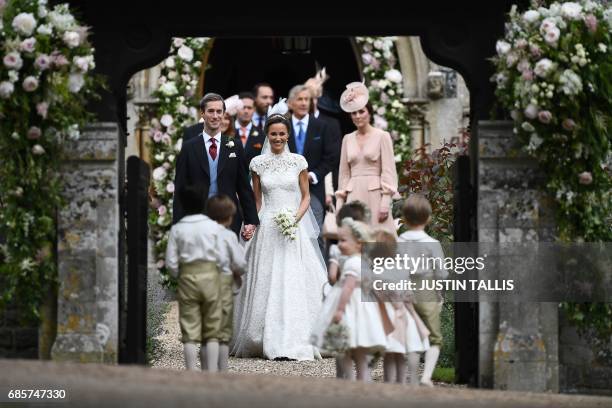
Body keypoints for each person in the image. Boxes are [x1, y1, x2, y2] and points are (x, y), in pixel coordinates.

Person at [231, 99, 327, 361]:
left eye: (282, 134)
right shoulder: (257, 164)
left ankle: (300, 336)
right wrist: (251, 222)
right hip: (268, 225)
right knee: (264, 276)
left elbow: (306, 197)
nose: (277, 138)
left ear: (287, 136)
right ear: (267, 135)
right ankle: (260, 337)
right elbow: (256, 199)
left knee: (295, 277)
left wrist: (294, 219)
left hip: (292, 226)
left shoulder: (299, 161)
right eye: (273, 134)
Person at [173, 93, 259, 239]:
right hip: (197, 218)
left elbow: (243, 186)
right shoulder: (189, 147)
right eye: (211, 111)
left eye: (219, 111)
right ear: (202, 114)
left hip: (229, 217)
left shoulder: (235, 146)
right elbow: (181, 188)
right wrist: (178, 223)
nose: (215, 116)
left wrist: (250, 220)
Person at [312, 218, 388, 382]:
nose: (339, 244)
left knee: (344, 346)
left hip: (350, 308)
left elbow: (347, 288)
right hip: (363, 309)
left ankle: (350, 377)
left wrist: (339, 309)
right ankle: (363, 376)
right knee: (360, 348)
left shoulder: (352, 263)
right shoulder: (364, 262)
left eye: (344, 241)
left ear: (359, 244)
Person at [165, 184, 225, 372]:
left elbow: (171, 262)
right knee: (212, 327)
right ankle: (212, 372)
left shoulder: (178, 229)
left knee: (190, 328)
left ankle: (191, 370)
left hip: (188, 277)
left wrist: (179, 275)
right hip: (210, 277)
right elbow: (222, 257)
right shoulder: (213, 227)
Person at [335, 82, 399, 234]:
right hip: (353, 195)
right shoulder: (347, 139)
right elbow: (344, 173)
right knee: (355, 236)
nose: (357, 116)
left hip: (375, 194)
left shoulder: (382, 136)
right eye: (354, 113)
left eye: (361, 111)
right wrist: (339, 202)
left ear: (369, 113)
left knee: (379, 238)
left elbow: (388, 170)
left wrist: (385, 202)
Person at [398, 193, 448, 387]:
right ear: (428, 218)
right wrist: (440, 296)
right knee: (434, 336)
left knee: (411, 336)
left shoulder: (399, 243)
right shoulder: (432, 244)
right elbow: (442, 273)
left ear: (404, 218)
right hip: (427, 290)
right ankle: (426, 376)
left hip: (404, 290)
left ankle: (412, 375)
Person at [371, 229, 429, 385]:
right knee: (401, 353)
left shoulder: (376, 272)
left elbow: (376, 296)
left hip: (386, 316)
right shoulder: (401, 269)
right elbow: (408, 294)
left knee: (390, 354)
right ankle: (402, 382)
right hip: (403, 314)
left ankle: (389, 382)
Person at [287, 84, 340, 252]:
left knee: (314, 236)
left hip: (315, 190)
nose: (304, 103)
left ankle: (317, 276)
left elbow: (331, 157)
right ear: (291, 103)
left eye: (307, 100)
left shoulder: (321, 126)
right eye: (300, 99)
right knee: (290, 235)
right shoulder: (283, 127)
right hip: (287, 190)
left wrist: (314, 175)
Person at [206, 194, 247, 372]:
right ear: (230, 217)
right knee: (222, 329)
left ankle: (206, 367)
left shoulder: (203, 234)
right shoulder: (229, 236)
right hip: (223, 282)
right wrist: (239, 272)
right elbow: (240, 263)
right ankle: (222, 369)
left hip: (203, 280)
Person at [304, 67, 343, 197]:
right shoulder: (293, 122)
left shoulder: (331, 124)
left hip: (326, 186)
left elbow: (334, 156)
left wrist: (314, 175)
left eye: (312, 98)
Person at [235, 91, 266, 166]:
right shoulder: (226, 131)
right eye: (243, 107)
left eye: (249, 108)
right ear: (236, 108)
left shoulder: (262, 135)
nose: (246, 111)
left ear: (254, 109)